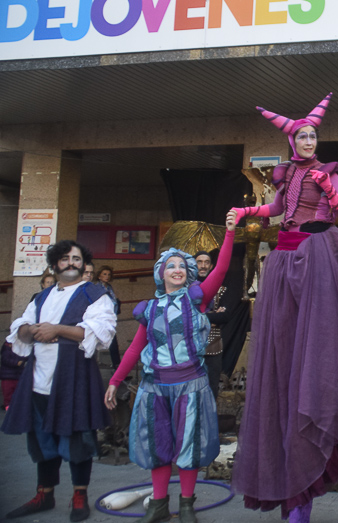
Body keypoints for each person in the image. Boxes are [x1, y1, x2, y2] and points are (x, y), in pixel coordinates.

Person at [228, 94, 338, 523]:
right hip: (282, 257)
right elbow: (276, 210)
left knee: (313, 350)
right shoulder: (285, 176)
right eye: (301, 134)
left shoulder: (329, 172)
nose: (307, 139)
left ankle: (306, 483)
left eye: (312, 134)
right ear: (291, 140)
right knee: (281, 351)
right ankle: (292, 496)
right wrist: (247, 210)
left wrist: (324, 186)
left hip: (315, 254)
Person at [103, 224, 234, 523]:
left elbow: (222, 269)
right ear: (160, 274)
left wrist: (229, 232)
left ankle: (187, 505)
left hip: (191, 386)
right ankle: (158, 504)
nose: (177, 269)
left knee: (189, 447)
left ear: (189, 273)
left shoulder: (197, 297)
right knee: (158, 446)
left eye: (182, 266)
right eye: (170, 265)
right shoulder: (148, 309)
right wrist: (115, 380)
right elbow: (136, 349)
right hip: (155, 389)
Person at [2, 240, 116, 522]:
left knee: (77, 437)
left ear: (84, 264)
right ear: (54, 264)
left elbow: (101, 331)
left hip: (73, 379)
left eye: (77, 258)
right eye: (65, 258)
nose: (71, 262)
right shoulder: (41, 297)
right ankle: (44, 493)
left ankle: (80, 496)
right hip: (39, 381)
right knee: (41, 440)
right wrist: (35, 331)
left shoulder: (94, 294)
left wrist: (58, 330)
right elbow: (19, 330)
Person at [195, 250, 228, 400]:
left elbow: (225, 317)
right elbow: (186, 318)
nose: (203, 266)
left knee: (211, 389)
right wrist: (213, 317)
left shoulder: (221, 289)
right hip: (190, 346)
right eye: (199, 262)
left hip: (213, 346)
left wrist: (199, 318)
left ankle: (209, 423)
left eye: (206, 262)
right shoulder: (186, 289)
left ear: (211, 266)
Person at [96, 266, 121, 368]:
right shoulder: (97, 287)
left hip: (110, 318)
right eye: (104, 274)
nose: (107, 276)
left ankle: (117, 366)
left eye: (108, 274)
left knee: (113, 343)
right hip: (100, 319)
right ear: (99, 276)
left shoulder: (109, 287)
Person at [2, 340, 27, 410]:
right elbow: (5, 358)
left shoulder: (24, 345)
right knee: (8, 392)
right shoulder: (7, 345)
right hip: (8, 375)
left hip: (18, 374)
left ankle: (16, 406)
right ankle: (7, 405)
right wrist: (16, 363)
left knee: (18, 391)